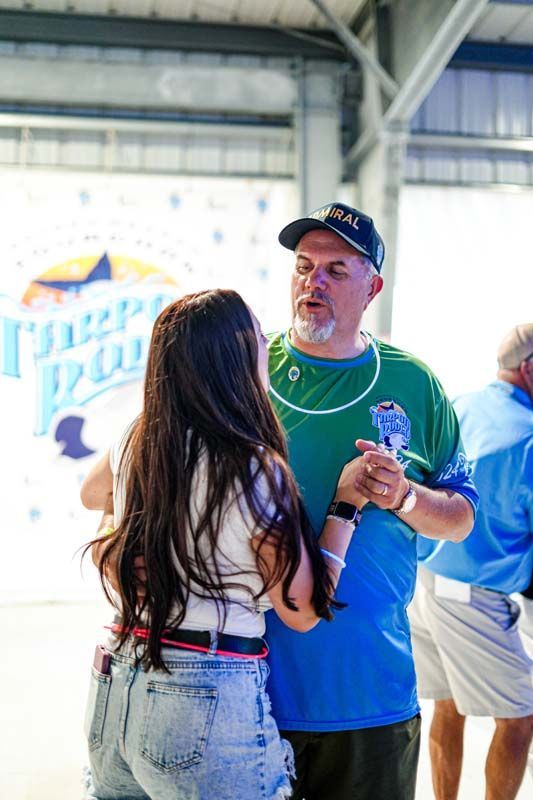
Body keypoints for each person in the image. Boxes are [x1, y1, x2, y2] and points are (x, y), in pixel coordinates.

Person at [80, 288, 369, 800]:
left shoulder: (137, 437)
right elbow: (302, 609)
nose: (268, 347)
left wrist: (115, 545)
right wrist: (346, 507)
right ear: (235, 357)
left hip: (117, 681)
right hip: (203, 689)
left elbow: (91, 494)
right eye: (259, 337)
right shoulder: (251, 465)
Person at [263, 201, 479, 800]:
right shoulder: (249, 372)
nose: (314, 281)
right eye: (304, 266)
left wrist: (405, 497)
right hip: (250, 691)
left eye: (336, 270)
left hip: (372, 698)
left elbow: (461, 518)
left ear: (373, 288)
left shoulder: (414, 383)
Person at [410, 323, 533, 800]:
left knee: (448, 704)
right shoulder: (529, 434)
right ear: (529, 369)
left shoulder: (459, 405)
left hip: (424, 581)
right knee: (519, 717)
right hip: (472, 597)